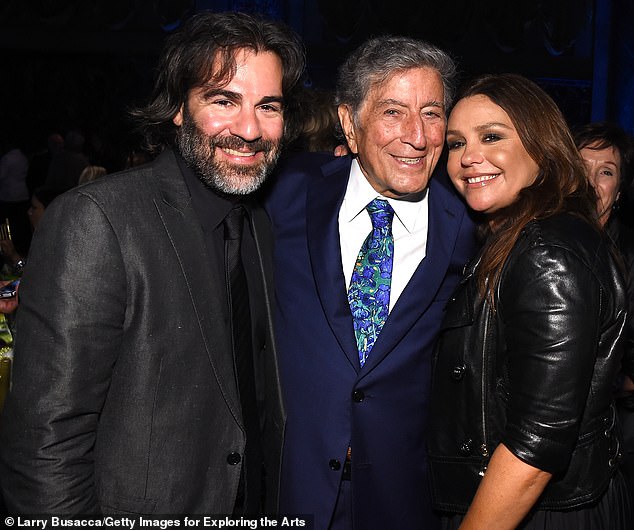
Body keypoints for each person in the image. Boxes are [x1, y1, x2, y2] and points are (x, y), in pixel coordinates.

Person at [0, 10, 304, 515]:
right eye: (224, 100)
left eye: (268, 106)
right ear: (179, 109)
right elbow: (44, 442)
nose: (250, 129)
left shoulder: (258, 224)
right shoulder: (97, 220)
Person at [264, 36, 478, 530]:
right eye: (393, 112)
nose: (417, 136)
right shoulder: (283, 193)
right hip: (286, 487)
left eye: (432, 113)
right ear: (349, 124)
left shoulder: (470, 228)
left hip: (403, 499)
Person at [427, 73, 631, 529]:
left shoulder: (547, 252)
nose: (468, 158)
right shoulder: (514, 238)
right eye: (456, 144)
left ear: (541, 148)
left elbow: (536, 447)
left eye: (491, 137)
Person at [574, 122, 634, 508]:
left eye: (606, 172)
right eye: (581, 169)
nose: (591, 183)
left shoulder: (628, 256)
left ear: (619, 189)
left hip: (614, 440)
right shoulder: (534, 242)